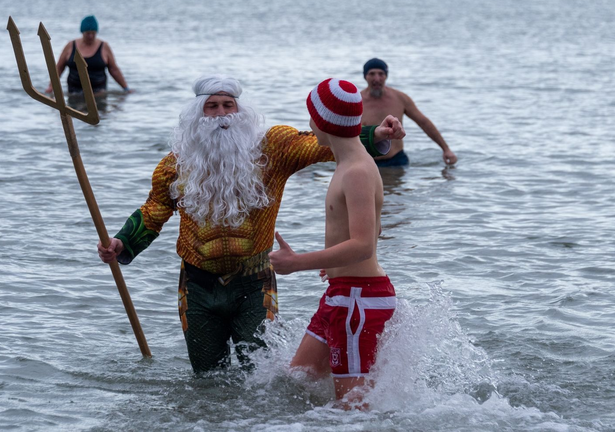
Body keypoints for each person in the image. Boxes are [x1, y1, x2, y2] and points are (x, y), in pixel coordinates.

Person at [96, 75, 404, 373]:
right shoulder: (175, 165)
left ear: (241, 111)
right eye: (212, 106)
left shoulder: (272, 148)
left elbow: (323, 143)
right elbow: (155, 208)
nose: (221, 115)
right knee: (206, 380)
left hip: (255, 282)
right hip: (197, 287)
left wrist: (375, 134)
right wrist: (123, 242)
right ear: (196, 113)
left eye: (228, 105)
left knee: (259, 378)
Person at [270, 78, 395, 408]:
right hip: (344, 292)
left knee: (353, 407)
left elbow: (365, 245)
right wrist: (334, 262)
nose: (309, 124)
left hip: (359, 299)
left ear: (323, 122)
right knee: (297, 379)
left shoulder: (356, 171)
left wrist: (298, 263)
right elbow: (374, 228)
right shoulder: (349, 163)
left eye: (311, 116)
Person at [361, 58, 457, 167]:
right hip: (366, 161)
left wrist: (446, 149)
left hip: (396, 160)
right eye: (372, 74)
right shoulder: (357, 101)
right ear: (365, 76)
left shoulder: (400, 98)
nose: (377, 78)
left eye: (381, 74)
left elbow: (423, 122)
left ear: (386, 76)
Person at [45, 15, 130, 95]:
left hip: (98, 94)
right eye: (88, 33)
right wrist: (51, 86)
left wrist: (125, 88)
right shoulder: (70, 46)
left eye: (93, 33)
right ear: (82, 32)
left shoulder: (104, 47)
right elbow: (59, 68)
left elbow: (114, 69)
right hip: (74, 93)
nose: (90, 36)